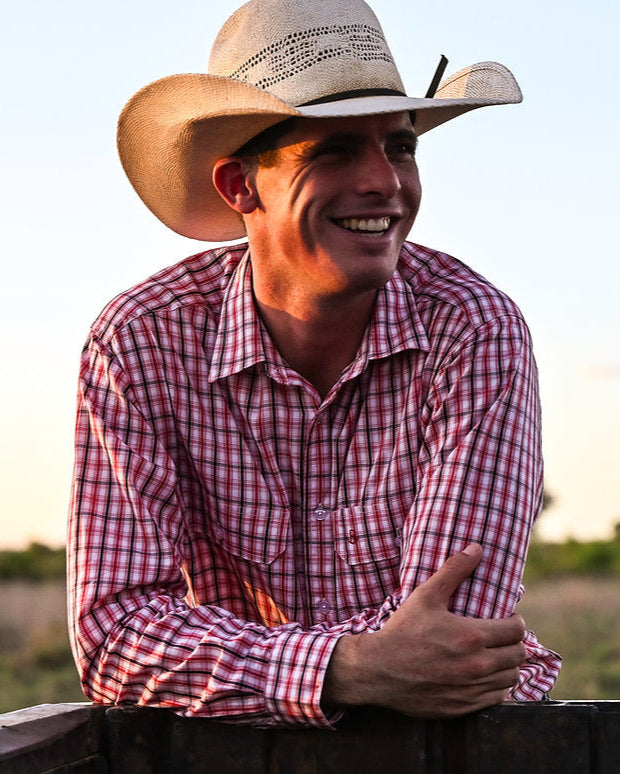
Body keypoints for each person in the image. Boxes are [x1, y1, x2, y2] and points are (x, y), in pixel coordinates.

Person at [67, 0, 560, 728]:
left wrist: (256, 666)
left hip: (445, 752)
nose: (385, 182)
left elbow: (449, 636)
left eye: (401, 147)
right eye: (334, 151)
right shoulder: (143, 340)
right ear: (240, 186)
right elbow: (114, 636)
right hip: (244, 758)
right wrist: (349, 669)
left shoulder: (472, 327)